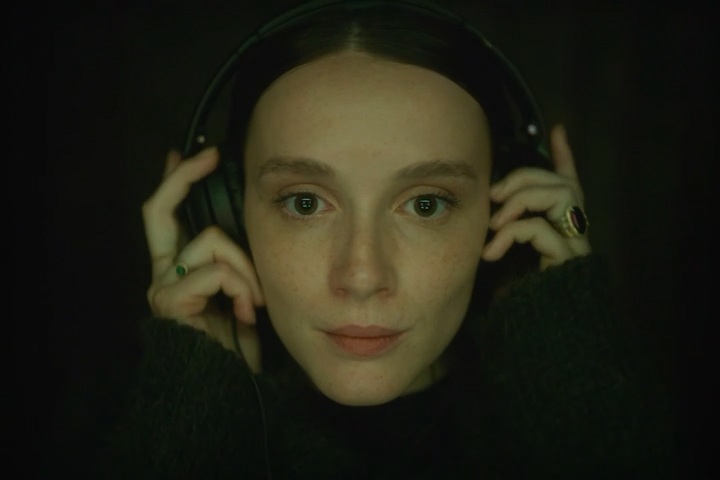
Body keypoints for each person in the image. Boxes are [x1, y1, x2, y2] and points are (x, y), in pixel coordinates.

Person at [100, 0, 675, 477]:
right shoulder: (113, 415)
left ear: (503, 210)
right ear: (223, 210)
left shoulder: (581, 416)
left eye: (426, 204)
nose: (362, 276)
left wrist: (570, 355)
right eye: (305, 202)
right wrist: (196, 396)